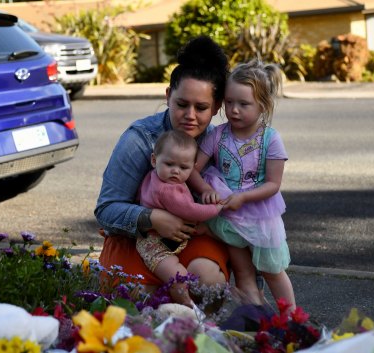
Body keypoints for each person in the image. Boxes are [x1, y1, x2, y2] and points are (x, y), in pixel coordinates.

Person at [94, 35, 230, 296]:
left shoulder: (218, 144)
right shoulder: (140, 139)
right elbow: (106, 209)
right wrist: (151, 217)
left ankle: (199, 330)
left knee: (210, 283)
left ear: (216, 108)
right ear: (168, 96)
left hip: (188, 239)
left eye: (201, 107)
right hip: (138, 240)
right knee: (134, 292)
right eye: (181, 104)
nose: (190, 115)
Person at [189, 59, 296, 310]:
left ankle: (291, 318)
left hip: (260, 217)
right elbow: (194, 169)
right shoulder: (218, 135)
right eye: (229, 102)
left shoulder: (271, 139)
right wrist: (206, 190)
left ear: (263, 105)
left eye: (243, 104)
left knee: (272, 271)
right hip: (229, 216)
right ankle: (255, 315)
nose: (234, 110)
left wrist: (244, 198)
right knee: (243, 272)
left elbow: (273, 184)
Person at [136, 130, 223, 307]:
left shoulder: (155, 176)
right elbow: (190, 211)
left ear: (192, 169)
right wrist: (216, 208)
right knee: (178, 277)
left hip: (165, 236)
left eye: (184, 168)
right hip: (156, 246)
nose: (175, 171)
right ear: (154, 160)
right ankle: (186, 305)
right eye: (169, 164)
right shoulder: (167, 190)